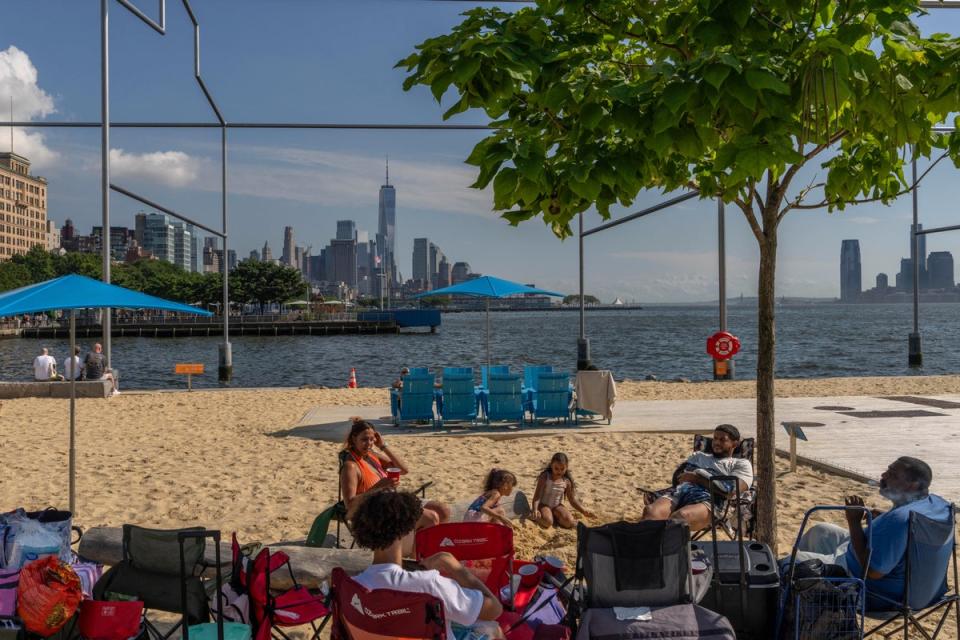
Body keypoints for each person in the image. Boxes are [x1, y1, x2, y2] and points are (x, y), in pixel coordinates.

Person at [787, 457, 951, 609]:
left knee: (786, 565)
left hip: (872, 590)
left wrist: (854, 522)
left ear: (912, 485)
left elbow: (873, 571)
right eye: (887, 470)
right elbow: (902, 534)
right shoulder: (937, 505)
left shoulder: (900, 520)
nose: (883, 475)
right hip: (926, 592)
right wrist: (883, 519)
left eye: (892, 475)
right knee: (820, 532)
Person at [351, 491, 503, 640]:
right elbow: (494, 609)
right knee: (494, 629)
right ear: (405, 532)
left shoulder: (353, 586)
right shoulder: (427, 584)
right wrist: (451, 565)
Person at [340, 418, 451, 529]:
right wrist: (379, 486)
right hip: (373, 511)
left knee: (443, 511)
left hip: (391, 501)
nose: (369, 443)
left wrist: (383, 446)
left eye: (372, 439)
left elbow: (403, 470)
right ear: (354, 439)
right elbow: (350, 507)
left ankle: (436, 544)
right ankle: (415, 545)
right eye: (364, 439)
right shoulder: (351, 466)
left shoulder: (371, 455)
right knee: (431, 518)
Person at [640, 424, 752, 532]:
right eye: (715, 438)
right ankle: (649, 549)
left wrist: (697, 479)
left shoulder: (741, 464)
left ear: (735, 444)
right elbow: (679, 477)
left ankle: (670, 549)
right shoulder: (698, 456)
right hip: (681, 492)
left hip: (712, 500)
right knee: (651, 511)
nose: (716, 442)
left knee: (680, 518)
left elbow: (732, 491)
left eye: (722, 440)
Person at [531, 452, 594, 529]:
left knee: (569, 522)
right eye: (556, 468)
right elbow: (537, 496)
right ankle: (535, 517)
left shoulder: (566, 482)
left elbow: (572, 500)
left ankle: (556, 517)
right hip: (544, 505)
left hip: (556, 506)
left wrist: (583, 511)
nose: (559, 471)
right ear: (551, 465)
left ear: (566, 467)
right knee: (548, 522)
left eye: (562, 469)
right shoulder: (545, 477)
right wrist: (535, 509)